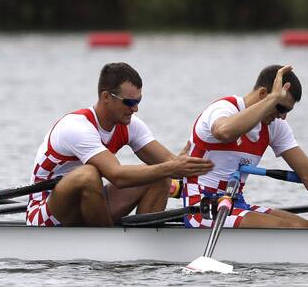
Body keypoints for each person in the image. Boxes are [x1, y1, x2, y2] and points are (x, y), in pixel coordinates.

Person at [182, 64, 308, 229]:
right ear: (264, 94)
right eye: (280, 108)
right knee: (289, 229)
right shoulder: (223, 109)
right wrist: (271, 101)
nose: (282, 116)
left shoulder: (274, 126)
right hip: (201, 207)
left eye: (287, 111)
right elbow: (223, 132)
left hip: (234, 203)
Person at [27, 62, 213, 227]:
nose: (135, 108)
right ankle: (109, 248)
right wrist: (172, 167)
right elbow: (118, 176)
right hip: (46, 212)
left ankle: (145, 248)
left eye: (138, 101)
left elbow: (172, 165)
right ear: (106, 97)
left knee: (159, 175)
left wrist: (210, 170)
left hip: (91, 204)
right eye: (129, 102)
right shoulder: (76, 126)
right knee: (88, 175)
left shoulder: (131, 124)